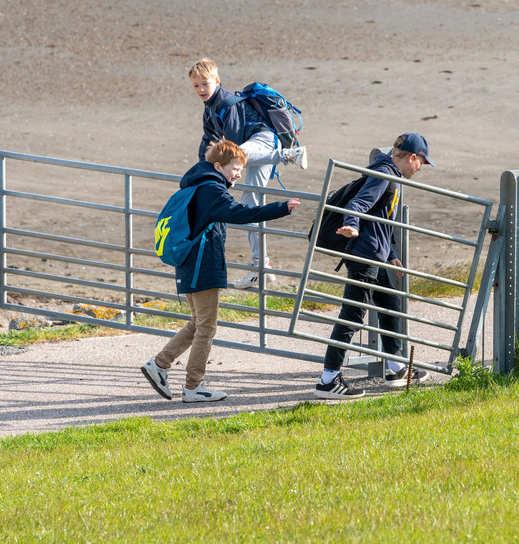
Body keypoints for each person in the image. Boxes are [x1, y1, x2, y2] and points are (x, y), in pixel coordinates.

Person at [142, 139, 300, 402]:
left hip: (190, 263)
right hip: (202, 266)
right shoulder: (212, 190)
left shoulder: (198, 185)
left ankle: (159, 365)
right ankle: (193, 386)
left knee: (198, 323)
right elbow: (239, 213)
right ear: (218, 166)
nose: (238, 174)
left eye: (240, 169)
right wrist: (280, 208)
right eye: (235, 168)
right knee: (207, 327)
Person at [314, 133, 435, 400]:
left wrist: (390, 253)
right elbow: (360, 204)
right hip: (364, 255)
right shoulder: (384, 174)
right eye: (422, 163)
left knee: (390, 305)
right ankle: (328, 379)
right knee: (352, 315)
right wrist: (352, 225)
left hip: (377, 255)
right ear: (412, 158)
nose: (420, 169)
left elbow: (379, 220)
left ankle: (396, 368)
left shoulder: (390, 174)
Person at [189, 58, 308, 289]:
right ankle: (261, 267)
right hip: (252, 153)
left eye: (205, 84)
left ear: (217, 81)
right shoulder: (209, 112)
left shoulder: (227, 103)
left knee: (235, 156)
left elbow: (232, 150)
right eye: (196, 86)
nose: (201, 90)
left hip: (263, 142)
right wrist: (202, 170)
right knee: (250, 208)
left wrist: (224, 177)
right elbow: (208, 143)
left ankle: (288, 155)